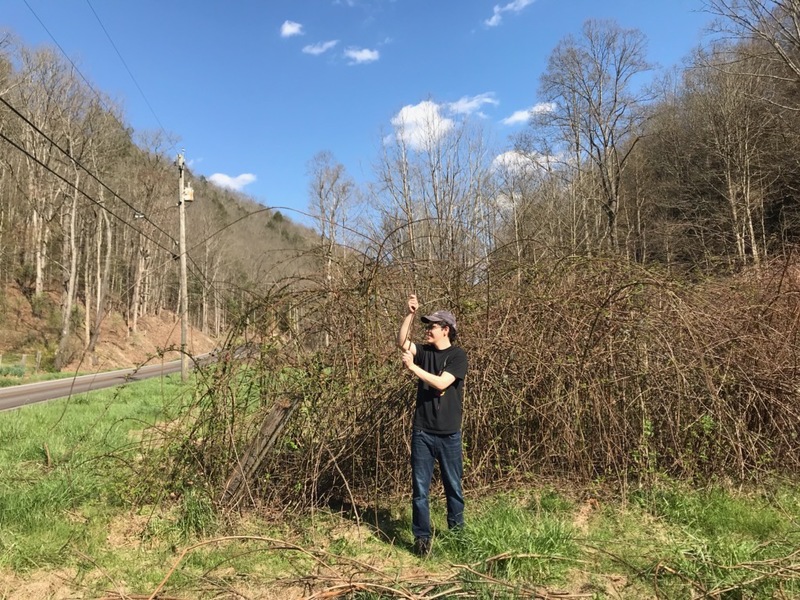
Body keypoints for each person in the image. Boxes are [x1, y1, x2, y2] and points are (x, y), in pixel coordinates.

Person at [397, 293, 468, 557]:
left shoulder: (458, 356)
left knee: (453, 487)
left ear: (446, 330)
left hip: (449, 435)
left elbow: (441, 383)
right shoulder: (424, 351)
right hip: (422, 433)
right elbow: (402, 342)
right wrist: (410, 314)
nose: (427, 330)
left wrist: (413, 369)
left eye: (432, 327)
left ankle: (458, 536)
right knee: (420, 490)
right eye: (426, 326)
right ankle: (422, 539)